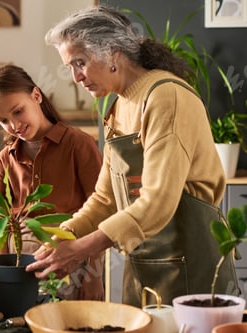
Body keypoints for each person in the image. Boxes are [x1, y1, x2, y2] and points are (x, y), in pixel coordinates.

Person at [25, 5, 240, 306]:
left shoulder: (166, 97)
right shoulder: (120, 104)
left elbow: (158, 201)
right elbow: (106, 199)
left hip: (193, 265)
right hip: (146, 263)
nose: (75, 77)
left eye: (80, 63)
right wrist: (66, 235)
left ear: (112, 53)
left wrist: (84, 248)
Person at [0, 64, 104, 300]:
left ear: (36, 96)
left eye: (18, 111)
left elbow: (101, 213)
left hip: (72, 262)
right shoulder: (4, 159)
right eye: (3, 120)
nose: (14, 126)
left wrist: (94, 276)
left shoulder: (79, 144)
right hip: (20, 267)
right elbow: (0, 222)